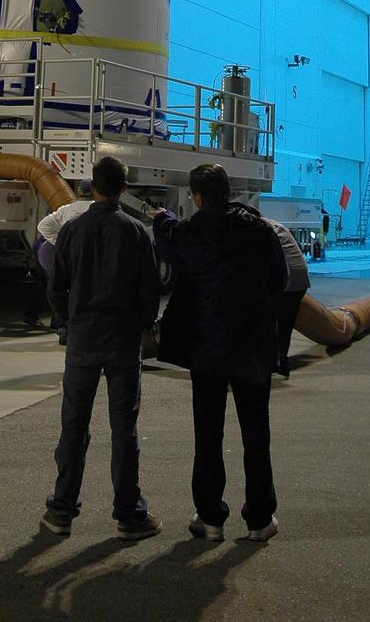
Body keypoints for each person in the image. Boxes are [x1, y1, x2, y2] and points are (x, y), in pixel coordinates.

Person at [153, 164, 287, 543]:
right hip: (252, 346)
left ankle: (210, 517)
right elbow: (279, 279)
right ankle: (260, 518)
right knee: (256, 433)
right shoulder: (259, 229)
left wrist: (161, 218)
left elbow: (169, 244)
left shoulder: (194, 231)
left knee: (208, 433)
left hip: (208, 347)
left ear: (196, 197)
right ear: (228, 191)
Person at [42, 155, 162, 541]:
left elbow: (56, 285)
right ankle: (129, 514)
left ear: (91, 187)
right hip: (123, 341)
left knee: (74, 425)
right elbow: (149, 291)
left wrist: (67, 320)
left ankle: (61, 511)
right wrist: (144, 325)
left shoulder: (73, 230)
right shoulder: (137, 232)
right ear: (123, 188)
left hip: (83, 338)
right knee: (123, 426)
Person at [35, 180, 94, 343]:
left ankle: (63, 329)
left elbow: (44, 225)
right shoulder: (97, 209)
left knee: (59, 293)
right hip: (87, 263)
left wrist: (61, 243)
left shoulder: (67, 209)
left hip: (65, 261)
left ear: (78, 192)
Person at [264, 219, 309, 378]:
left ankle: (273, 363)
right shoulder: (273, 225)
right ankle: (281, 362)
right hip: (299, 279)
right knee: (285, 325)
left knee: (272, 323)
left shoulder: (259, 229)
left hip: (288, 279)